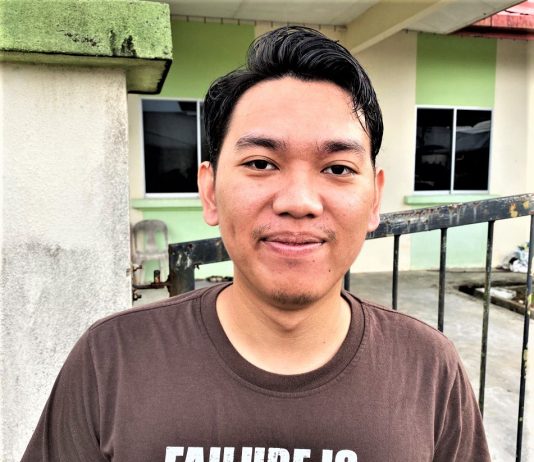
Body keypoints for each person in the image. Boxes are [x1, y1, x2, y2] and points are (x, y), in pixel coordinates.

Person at [22, 26, 490, 462]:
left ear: (374, 199)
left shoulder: (429, 369)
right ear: (210, 191)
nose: (299, 202)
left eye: (338, 169)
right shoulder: (112, 358)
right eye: (262, 163)